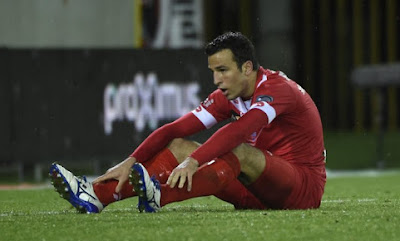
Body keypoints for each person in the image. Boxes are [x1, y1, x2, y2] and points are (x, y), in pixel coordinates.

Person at [50, 31, 326, 214]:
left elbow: (241, 129)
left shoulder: (278, 89)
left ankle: (161, 197)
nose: (217, 80)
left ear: (246, 68)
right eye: (213, 72)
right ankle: (96, 196)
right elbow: (175, 129)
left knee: (239, 150)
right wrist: (131, 161)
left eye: (223, 70)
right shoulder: (227, 95)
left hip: (300, 191)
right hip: (254, 192)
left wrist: (194, 162)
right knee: (180, 146)